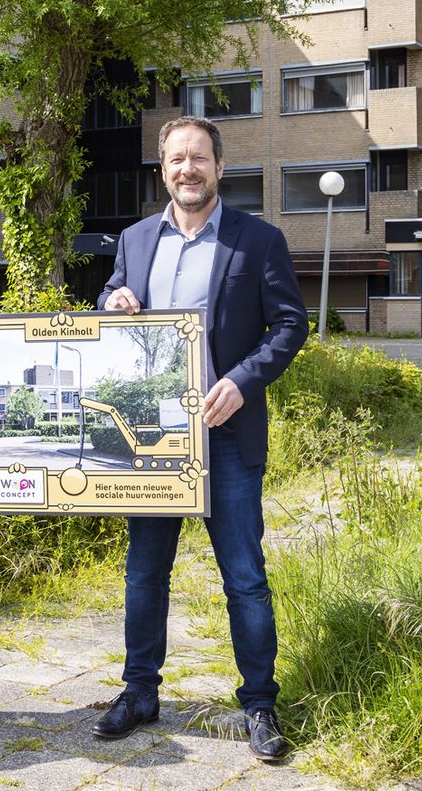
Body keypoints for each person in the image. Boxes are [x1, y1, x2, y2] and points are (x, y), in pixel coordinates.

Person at [93, 114, 309, 761]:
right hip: (153, 441)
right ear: (163, 169)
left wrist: (243, 381)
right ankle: (139, 693)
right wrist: (112, 303)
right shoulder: (134, 240)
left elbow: (290, 326)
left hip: (227, 436)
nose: (188, 169)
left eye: (199, 159)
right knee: (143, 575)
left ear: (219, 166)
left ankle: (260, 704)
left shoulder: (257, 240)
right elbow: (110, 295)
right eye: (176, 160)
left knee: (243, 576)